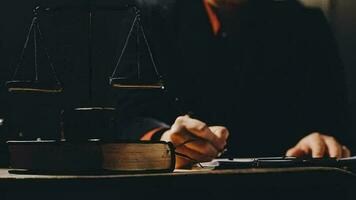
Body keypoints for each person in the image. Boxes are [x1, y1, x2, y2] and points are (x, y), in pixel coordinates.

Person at [117, 0, 353, 168]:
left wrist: (320, 142)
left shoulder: (306, 26)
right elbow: (126, 117)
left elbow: (335, 124)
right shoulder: (149, 17)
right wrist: (164, 142)